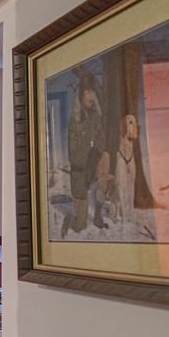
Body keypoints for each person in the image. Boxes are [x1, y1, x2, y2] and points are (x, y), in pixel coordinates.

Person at [65, 71, 104, 234]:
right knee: (81, 226)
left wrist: (97, 152)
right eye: (88, 92)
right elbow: (73, 153)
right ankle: (71, 220)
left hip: (94, 165)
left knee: (106, 162)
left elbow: (101, 136)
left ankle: (98, 215)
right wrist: (87, 159)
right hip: (80, 172)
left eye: (92, 92)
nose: (91, 96)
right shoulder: (75, 120)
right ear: (82, 95)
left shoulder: (96, 116)